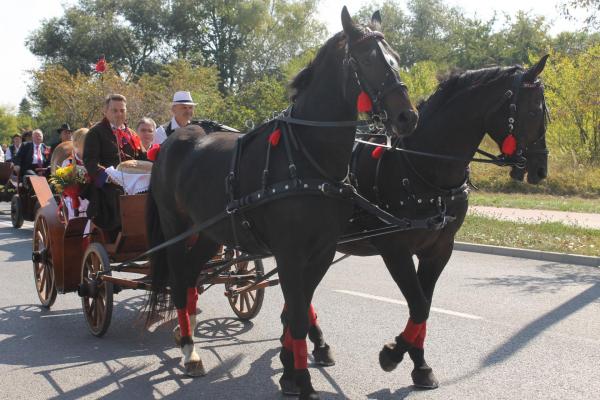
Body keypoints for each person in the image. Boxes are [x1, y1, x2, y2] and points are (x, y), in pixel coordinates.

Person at [82, 93, 146, 231]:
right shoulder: (95, 132)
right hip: (107, 185)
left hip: (134, 183)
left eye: (122, 110)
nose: (119, 114)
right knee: (118, 193)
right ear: (105, 112)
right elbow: (90, 161)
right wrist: (109, 177)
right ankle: (121, 231)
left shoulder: (132, 134)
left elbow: (143, 158)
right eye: (114, 110)